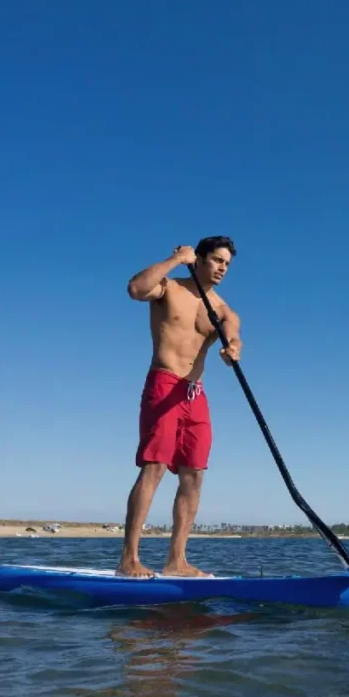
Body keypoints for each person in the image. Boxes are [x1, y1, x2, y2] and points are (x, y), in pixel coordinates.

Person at [115, 236, 242, 578]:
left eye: (227, 264)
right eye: (216, 260)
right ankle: (129, 559)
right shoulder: (169, 288)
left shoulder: (222, 309)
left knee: (194, 475)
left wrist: (232, 348)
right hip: (164, 380)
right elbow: (135, 289)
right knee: (154, 466)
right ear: (197, 259)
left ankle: (176, 561)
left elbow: (233, 332)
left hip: (195, 394)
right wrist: (173, 260)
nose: (222, 268)